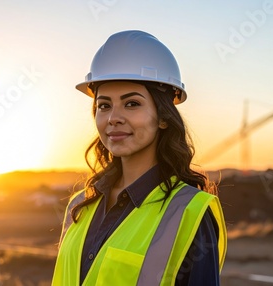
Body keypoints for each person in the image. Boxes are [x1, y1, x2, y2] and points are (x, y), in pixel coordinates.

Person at [52, 30, 227, 285]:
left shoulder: (188, 213)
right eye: (104, 105)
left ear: (164, 117)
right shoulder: (80, 206)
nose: (114, 118)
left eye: (131, 103)